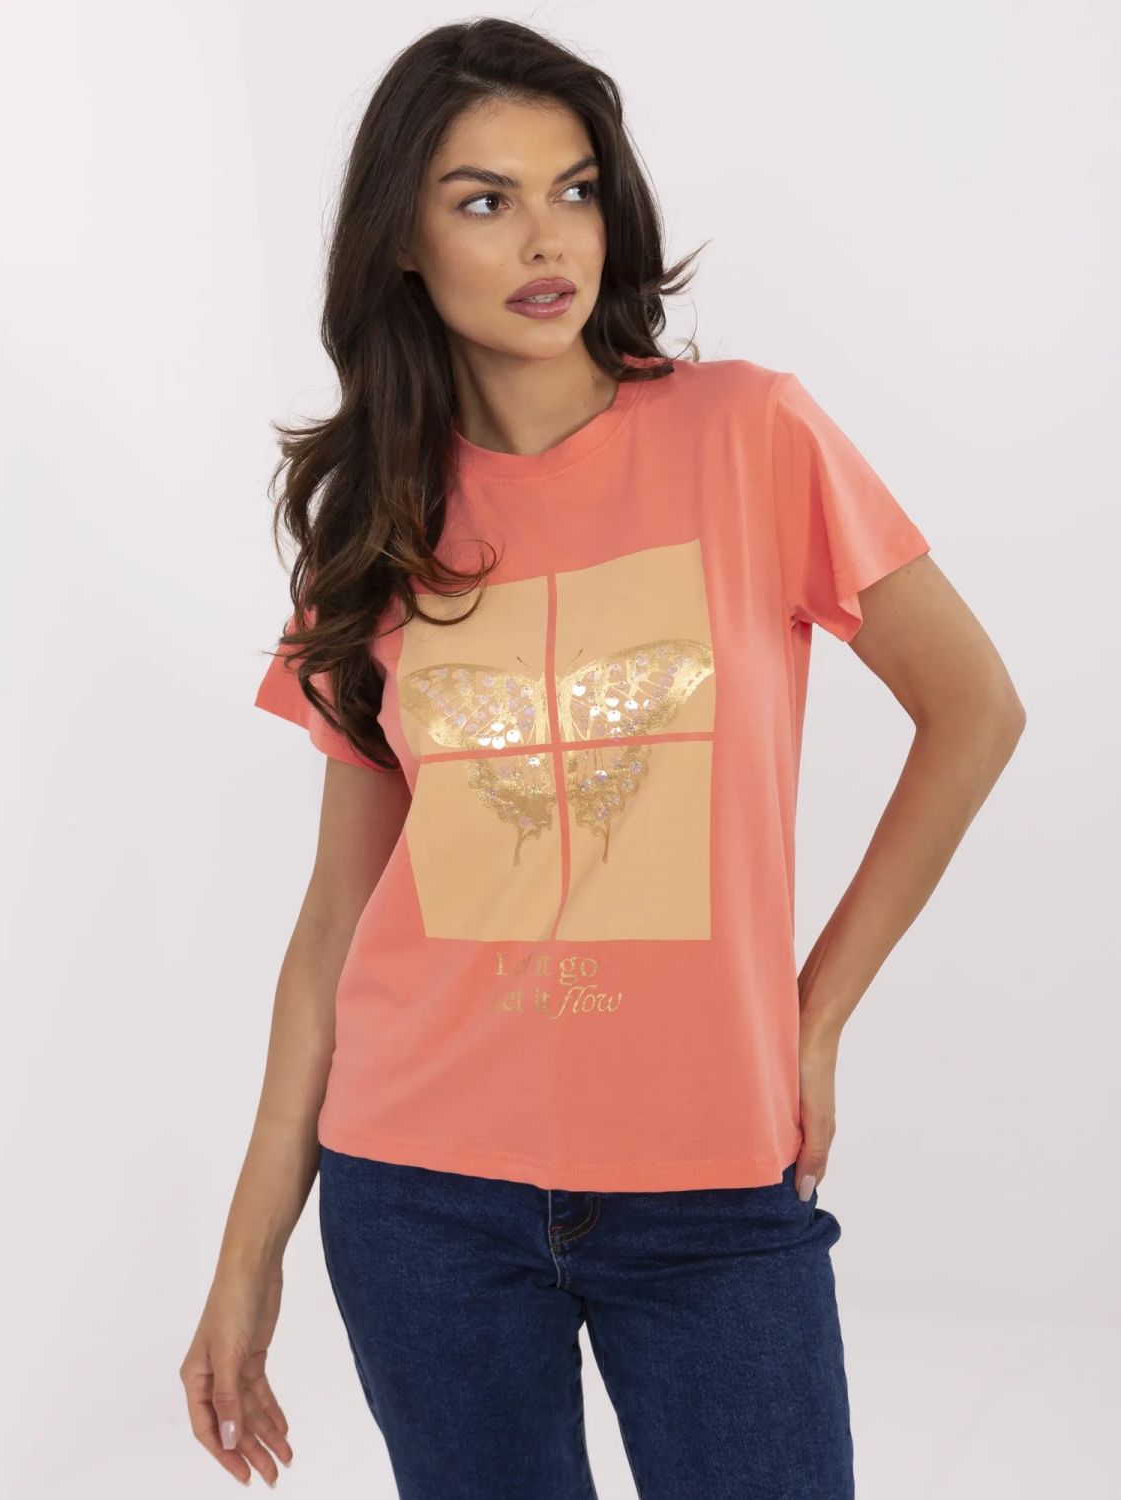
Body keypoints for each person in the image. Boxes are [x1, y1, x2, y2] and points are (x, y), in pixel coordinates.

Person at [179, 17, 1026, 1499]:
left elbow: (975, 711)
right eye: (483, 199)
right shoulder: (374, 524)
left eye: (573, 189)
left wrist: (812, 1017)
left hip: (713, 1187)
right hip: (420, 1193)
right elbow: (336, 922)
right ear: (401, 242)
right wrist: (248, 1254)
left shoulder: (748, 432)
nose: (545, 238)